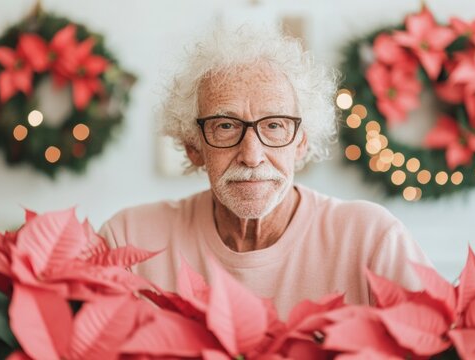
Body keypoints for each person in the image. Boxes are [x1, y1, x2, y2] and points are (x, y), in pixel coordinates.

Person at [99, 25, 431, 319]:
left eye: (274, 125)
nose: (252, 155)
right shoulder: (129, 238)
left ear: (301, 142)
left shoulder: (371, 238)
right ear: (193, 146)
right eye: (225, 126)